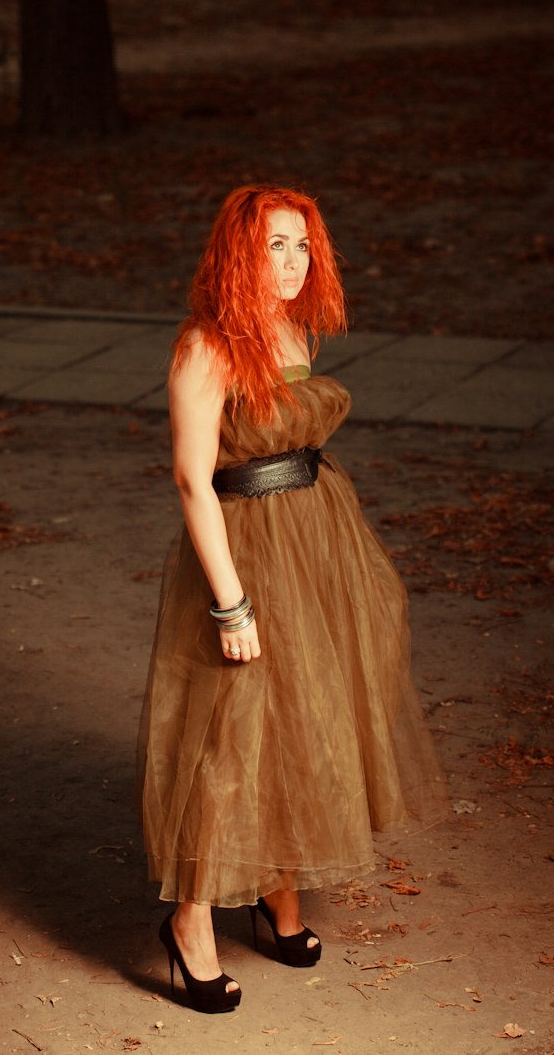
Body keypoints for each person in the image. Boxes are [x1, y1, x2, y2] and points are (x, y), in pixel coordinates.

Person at [137, 184, 447, 1014]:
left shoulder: (294, 327)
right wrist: (230, 605)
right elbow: (191, 481)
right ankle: (192, 922)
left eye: (303, 245)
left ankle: (276, 892)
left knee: (308, 711)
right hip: (246, 551)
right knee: (233, 732)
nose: (292, 261)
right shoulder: (204, 345)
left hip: (317, 540)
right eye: (275, 244)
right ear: (239, 252)